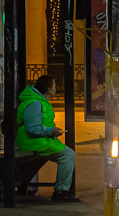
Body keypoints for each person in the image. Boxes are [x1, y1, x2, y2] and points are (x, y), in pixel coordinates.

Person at [17, 74, 77, 202]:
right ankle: (61, 191)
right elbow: (32, 128)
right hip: (33, 142)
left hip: (39, 140)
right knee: (68, 155)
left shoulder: (38, 101)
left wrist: (51, 132)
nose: (56, 89)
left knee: (67, 154)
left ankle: (62, 190)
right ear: (49, 89)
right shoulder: (35, 104)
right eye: (54, 86)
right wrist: (51, 131)